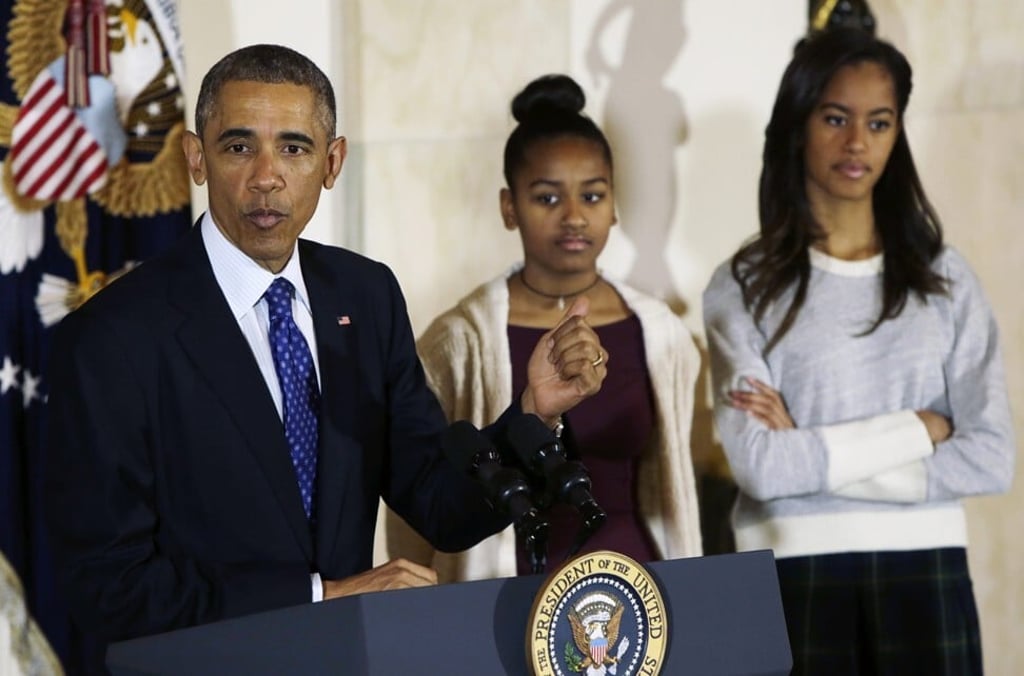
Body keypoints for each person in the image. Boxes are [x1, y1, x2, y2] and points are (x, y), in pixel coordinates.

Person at [42, 44, 608, 654]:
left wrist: (534, 412)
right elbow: (109, 585)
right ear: (195, 157)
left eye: (293, 147)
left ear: (332, 162)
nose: (266, 176)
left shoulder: (365, 296)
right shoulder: (111, 337)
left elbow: (438, 502)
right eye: (238, 147)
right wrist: (320, 597)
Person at [703, 28, 1015, 675]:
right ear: (798, 123)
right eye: (835, 118)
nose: (856, 143)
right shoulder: (744, 284)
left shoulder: (946, 278)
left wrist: (809, 444)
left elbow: (991, 458)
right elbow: (761, 468)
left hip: (927, 574)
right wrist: (918, 430)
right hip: (790, 574)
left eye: (879, 122)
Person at [387, 74, 703, 582]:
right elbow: (415, 499)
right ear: (509, 207)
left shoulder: (663, 333)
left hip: (642, 589)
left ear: (615, 206)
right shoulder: (457, 341)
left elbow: (679, 486)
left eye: (593, 196)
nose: (574, 217)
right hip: (503, 594)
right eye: (548, 198)